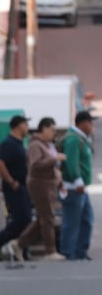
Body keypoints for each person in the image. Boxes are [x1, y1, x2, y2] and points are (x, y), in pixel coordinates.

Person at [16, 118, 66, 261]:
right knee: (47, 217)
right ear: (43, 129)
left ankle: (19, 243)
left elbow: (53, 166)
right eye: (52, 130)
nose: (54, 133)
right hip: (40, 185)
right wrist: (54, 158)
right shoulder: (35, 146)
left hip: (50, 184)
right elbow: (36, 165)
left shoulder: (47, 145)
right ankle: (50, 251)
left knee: (44, 218)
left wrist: (59, 179)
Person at [0, 115, 33, 261]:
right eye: (26, 124)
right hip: (14, 187)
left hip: (23, 185)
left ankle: (22, 249)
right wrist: (11, 181)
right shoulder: (8, 143)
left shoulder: (20, 143)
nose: (27, 128)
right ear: (19, 126)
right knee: (22, 218)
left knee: (26, 219)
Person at [59, 110, 96, 261]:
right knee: (72, 221)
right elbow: (71, 162)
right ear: (83, 123)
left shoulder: (81, 139)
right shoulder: (73, 139)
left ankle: (81, 250)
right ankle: (68, 252)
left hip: (81, 189)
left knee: (87, 219)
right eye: (90, 123)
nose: (92, 126)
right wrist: (78, 180)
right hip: (74, 187)